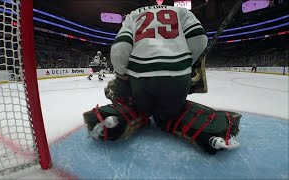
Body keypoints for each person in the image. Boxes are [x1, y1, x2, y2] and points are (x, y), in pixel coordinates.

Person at [83, 0, 242, 154]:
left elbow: (119, 48)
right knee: (170, 114)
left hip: (141, 81)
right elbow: (199, 39)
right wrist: (189, 63)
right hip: (177, 79)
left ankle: (124, 116)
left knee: (138, 106)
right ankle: (206, 130)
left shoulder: (133, 15)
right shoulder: (181, 12)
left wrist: (121, 77)